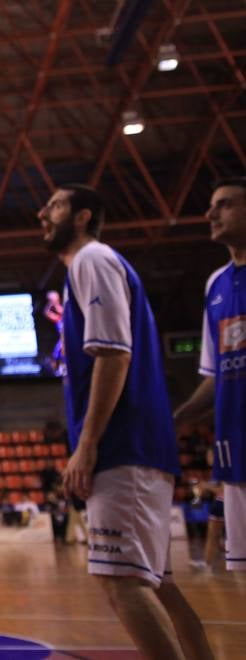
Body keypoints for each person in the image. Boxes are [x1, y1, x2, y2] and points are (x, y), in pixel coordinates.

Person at [38, 184, 213, 659]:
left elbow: (114, 354)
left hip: (124, 447)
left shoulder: (92, 260)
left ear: (82, 216)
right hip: (138, 447)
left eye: (54, 205)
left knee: (121, 583)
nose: (42, 213)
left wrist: (88, 442)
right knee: (158, 587)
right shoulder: (96, 265)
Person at [175, 176, 246, 576]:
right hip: (234, 448)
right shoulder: (215, 285)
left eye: (225, 204)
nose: (211, 213)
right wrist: (175, 421)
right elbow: (217, 374)